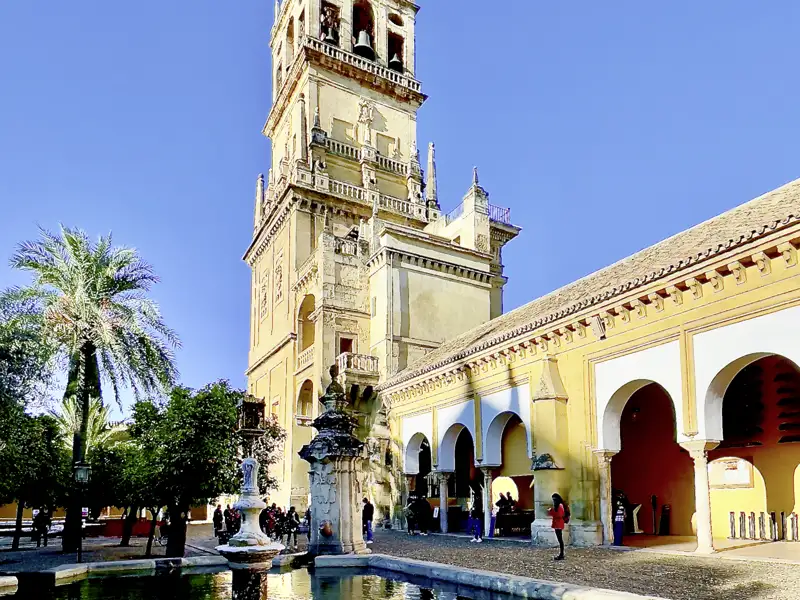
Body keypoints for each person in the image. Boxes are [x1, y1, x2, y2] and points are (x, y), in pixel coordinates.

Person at [548, 493, 567, 560]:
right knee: (559, 539)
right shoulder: (557, 505)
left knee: (560, 539)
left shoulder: (560, 505)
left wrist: (551, 511)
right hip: (556, 524)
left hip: (559, 524)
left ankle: (561, 554)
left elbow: (559, 515)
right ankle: (561, 553)